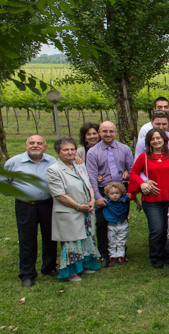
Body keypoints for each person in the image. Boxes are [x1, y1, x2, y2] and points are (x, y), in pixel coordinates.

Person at [47, 137, 103, 283]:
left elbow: (89, 184)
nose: (70, 152)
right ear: (58, 152)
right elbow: (60, 195)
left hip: (86, 208)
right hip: (70, 210)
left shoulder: (79, 165)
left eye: (72, 149)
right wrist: (78, 206)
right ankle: (71, 271)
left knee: (85, 238)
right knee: (71, 241)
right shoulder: (54, 170)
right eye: (65, 150)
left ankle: (84, 265)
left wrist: (91, 200)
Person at [129, 128, 169, 269]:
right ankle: (155, 257)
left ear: (164, 139)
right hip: (151, 199)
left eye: (158, 138)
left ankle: (168, 255)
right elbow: (134, 172)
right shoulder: (144, 157)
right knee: (157, 229)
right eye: (152, 139)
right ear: (148, 142)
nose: (156, 141)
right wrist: (142, 184)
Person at [5, 135, 58, 279]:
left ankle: (49, 267)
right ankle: (27, 273)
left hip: (48, 204)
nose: (35, 145)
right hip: (26, 206)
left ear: (45, 147)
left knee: (50, 237)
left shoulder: (52, 161)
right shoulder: (14, 162)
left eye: (39, 143)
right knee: (27, 239)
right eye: (32, 143)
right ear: (26, 145)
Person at [85, 121, 134, 266]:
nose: (108, 134)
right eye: (104, 131)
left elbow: (132, 170)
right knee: (102, 223)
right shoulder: (93, 152)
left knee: (121, 219)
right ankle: (105, 254)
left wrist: (130, 190)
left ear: (115, 132)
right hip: (103, 190)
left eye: (111, 131)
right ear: (99, 133)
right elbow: (92, 177)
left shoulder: (124, 149)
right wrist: (98, 198)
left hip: (121, 190)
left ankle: (120, 252)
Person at [100, 181, 129, 265]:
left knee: (121, 240)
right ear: (108, 195)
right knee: (111, 241)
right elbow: (96, 207)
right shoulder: (106, 202)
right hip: (111, 225)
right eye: (112, 193)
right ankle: (112, 256)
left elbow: (131, 196)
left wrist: (137, 203)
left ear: (121, 193)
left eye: (117, 193)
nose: (115, 195)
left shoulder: (124, 200)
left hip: (122, 224)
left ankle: (121, 256)